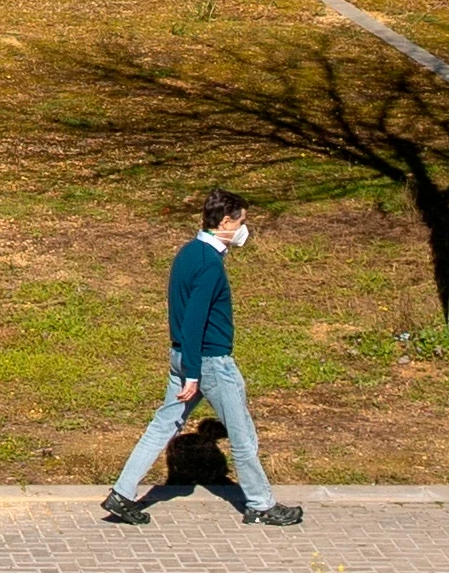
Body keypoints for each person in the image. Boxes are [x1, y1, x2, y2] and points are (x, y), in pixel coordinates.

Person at [101, 189, 306, 526]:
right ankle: (261, 505)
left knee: (162, 426)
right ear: (225, 222)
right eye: (240, 222)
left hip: (182, 355)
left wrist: (185, 363)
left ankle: (121, 495)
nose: (243, 229)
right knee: (243, 436)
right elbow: (195, 319)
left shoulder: (188, 253)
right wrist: (194, 373)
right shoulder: (210, 265)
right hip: (210, 362)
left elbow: (180, 314)